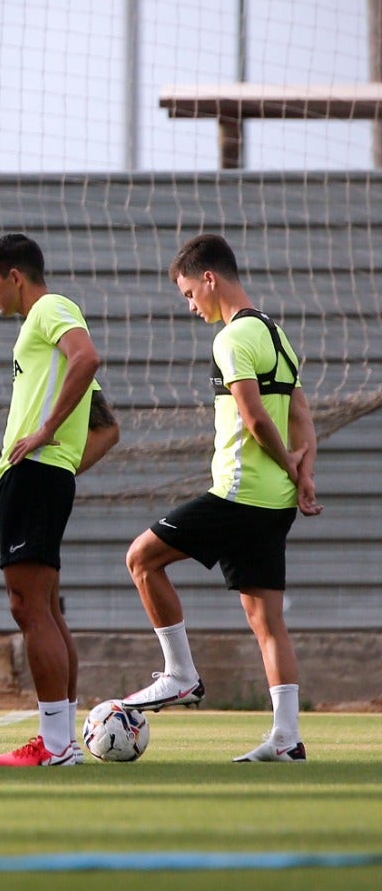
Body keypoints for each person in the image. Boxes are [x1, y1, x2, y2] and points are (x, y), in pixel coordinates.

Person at [122, 234, 320, 762]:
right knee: (266, 621)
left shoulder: (232, 339)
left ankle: (179, 674)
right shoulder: (277, 335)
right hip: (275, 503)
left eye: (189, 292)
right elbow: (301, 417)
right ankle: (287, 738)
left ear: (210, 278)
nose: (190, 305)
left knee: (141, 559)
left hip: (237, 496)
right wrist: (303, 474)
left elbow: (256, 418)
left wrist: (284, 462)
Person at [0, 233, 104, 767]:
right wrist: (64, 462)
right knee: (45, 608)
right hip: (39, 478)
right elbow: (107, 428)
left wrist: (46, 435)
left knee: (29, 607)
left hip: (34, 476)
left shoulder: (50, 308)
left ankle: (54, 745)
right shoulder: (39, 336)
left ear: (16, 278)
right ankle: (63, 740)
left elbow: (88, 358)